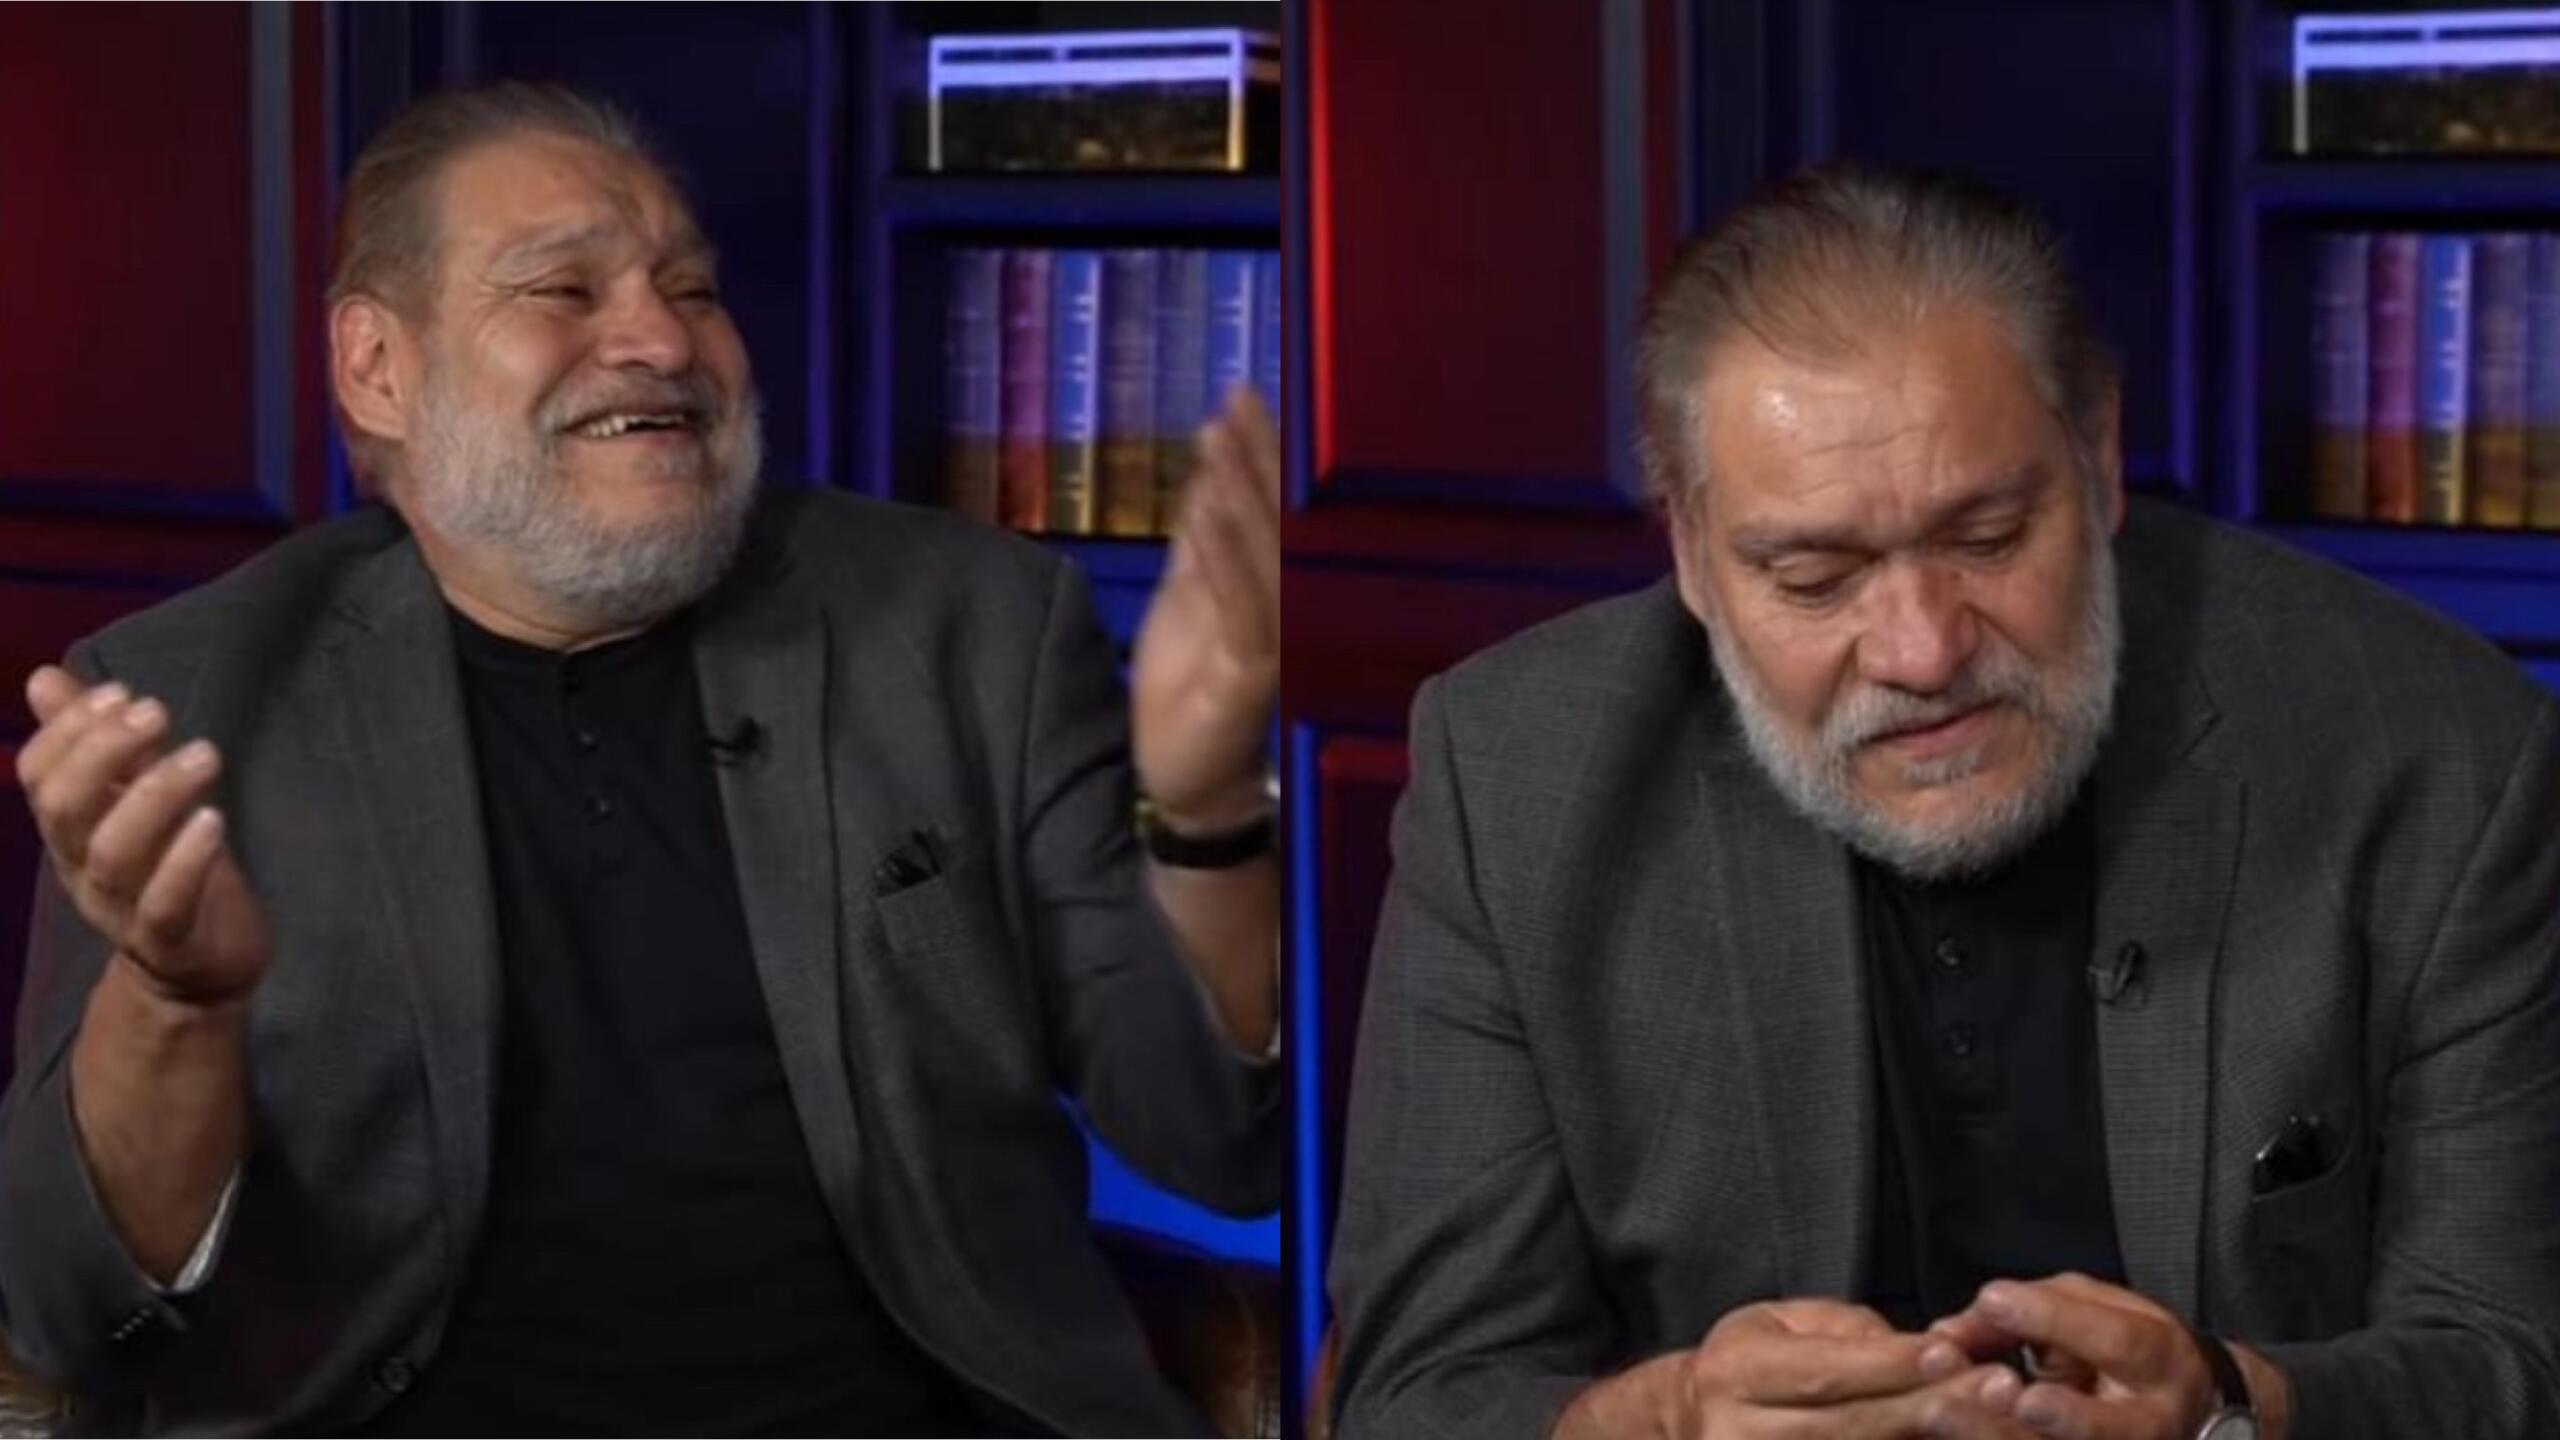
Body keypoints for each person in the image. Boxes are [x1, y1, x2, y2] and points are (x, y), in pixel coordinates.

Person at [0, 82, 1282, 1436]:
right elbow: (67, 1307)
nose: (663, 340)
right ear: (378, 367)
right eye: (563, 290)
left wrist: (1204, 811)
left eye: (693, 289)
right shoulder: (189, 698)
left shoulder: (969, 627)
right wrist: (176, 999)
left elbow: (1223, 1138)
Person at [1327, 165, 2560, 1440]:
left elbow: (2517, 1357)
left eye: (1986, 539)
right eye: (1816, 578)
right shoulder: (1512, 779)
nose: (1921, 651)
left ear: (2098, 459)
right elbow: (1414, 1396)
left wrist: (2239, 1406)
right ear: (1692, 553)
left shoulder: (2438, 756)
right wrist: (1665, 1421)